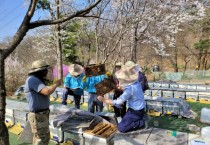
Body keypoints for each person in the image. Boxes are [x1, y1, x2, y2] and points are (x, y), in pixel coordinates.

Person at [97, 65, 146, 133]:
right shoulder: (136, 82)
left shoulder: (129, 89)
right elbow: (131, 90)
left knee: (121, 128)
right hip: (138, 108)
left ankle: (142, 122)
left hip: (135, 111)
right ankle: (139, 118)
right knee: (123, 121)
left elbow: (118, 102)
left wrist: (104, 100)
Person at [25, 60, 61, 145]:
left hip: (41, 114)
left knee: (39, 138)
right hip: (38, 115)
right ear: (40, 71)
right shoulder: (33, 80)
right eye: (45, 70)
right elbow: (46, 91)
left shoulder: (35, 79)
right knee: (42, 139)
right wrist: (56, 84)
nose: (47, 72)